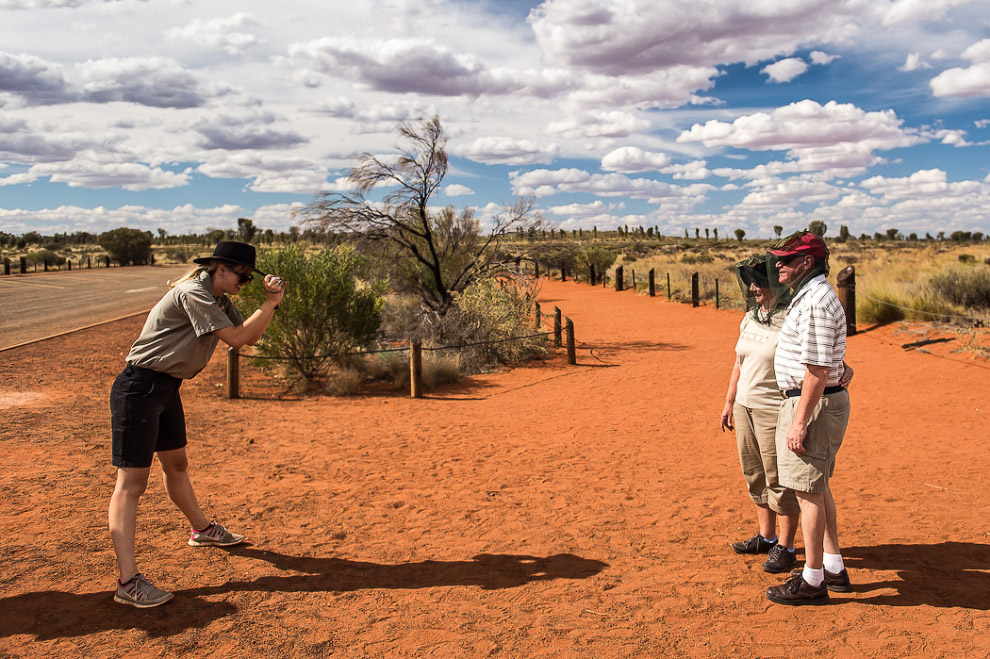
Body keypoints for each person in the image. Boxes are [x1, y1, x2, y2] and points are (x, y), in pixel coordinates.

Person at [108, 241, 285, 608]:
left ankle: (202, 530)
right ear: (220, 269)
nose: (245, 281)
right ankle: (128, 582)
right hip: (140, 387)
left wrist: (272, 302)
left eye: (249, 278)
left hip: (166, 388)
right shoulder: (193, 293)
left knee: (177, 465)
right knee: (132, 484)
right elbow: (237, 337)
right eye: (242, 275)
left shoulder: (219, 300)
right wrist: (267, 303)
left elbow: (247, 338)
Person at [764, 231, 852, 606]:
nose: (778, 265)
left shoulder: (815, 300)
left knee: (808, 491)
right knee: (816, 486)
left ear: (807, 262)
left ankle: (813, 580)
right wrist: (842, 368)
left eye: (786, 259)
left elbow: (816, 369)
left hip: (810, 402)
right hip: (814, 398)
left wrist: (800, 420)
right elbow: (825, 357)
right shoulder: (812, 295)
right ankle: (833, 567)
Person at [721, 257, 801, 575]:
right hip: (744, 406)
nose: (753, 288)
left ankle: (787, 545)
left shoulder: (790, 319)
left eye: (759, 282)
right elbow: (739, 362)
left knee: (778, 479)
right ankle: (766, 537)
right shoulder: (749, 319)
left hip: (774, 409)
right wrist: (729, 402)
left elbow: (810, 361)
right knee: (754, 474)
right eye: (750, 282)